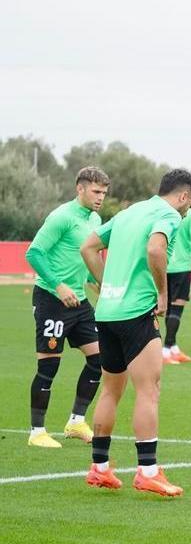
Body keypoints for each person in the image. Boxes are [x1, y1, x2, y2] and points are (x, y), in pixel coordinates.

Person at [78, 168, 191, 497]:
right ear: (184, 196)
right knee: (149, 390)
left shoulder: (129, 212)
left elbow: (88, 247)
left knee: (110, 391)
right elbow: (156, 250)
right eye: (189, 206)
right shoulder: (169, 214)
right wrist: (162, 293)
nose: (187, 212)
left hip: (107, 313)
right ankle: (148, 471)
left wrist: (106, 286)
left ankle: (99, 468)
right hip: (136, 313)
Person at [24, 166, 109, 448]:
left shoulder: (95, 218)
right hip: (52, 300)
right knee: (49, 366)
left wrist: (94, 282)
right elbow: (34, 252)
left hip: (79, 303)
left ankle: (75, 421)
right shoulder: (61, 217)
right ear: (80, 188)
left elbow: (82, 257)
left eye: (104, 193)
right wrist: (59, 285)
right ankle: (37, 432)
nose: (100, 197)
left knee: (101, 359)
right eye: (96, 191)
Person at [162, 202, 191, 364]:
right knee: (177, 309)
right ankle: (166, 350)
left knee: (167, 309)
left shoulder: (166, 208)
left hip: (163, 265)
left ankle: (173, 347)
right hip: (181, 267)